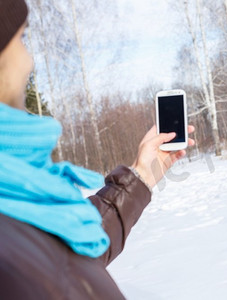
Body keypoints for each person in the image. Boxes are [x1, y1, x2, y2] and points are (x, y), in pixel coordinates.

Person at [0, 0, 195, 298]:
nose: (28, 61)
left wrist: (141, 175)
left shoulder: (21, 197)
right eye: (22, 39)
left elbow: (70, 253)